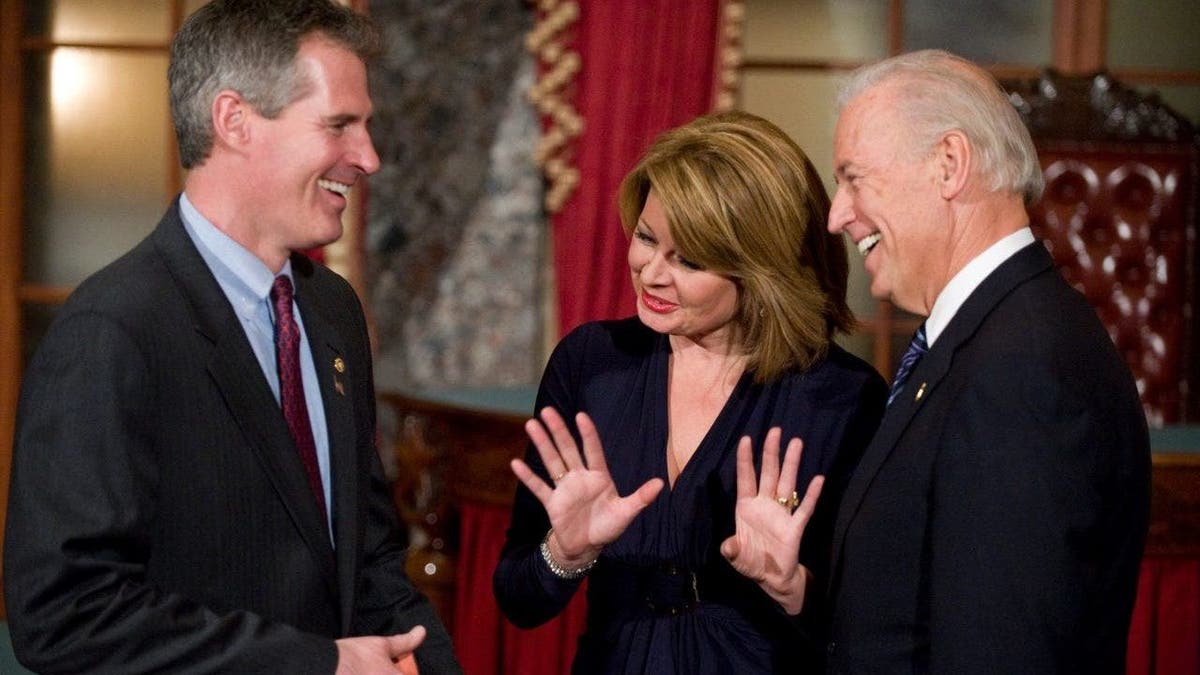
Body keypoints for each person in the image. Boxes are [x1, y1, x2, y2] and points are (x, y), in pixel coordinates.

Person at [3, 1, 460, 673]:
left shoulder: (332, 311)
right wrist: (319, 665)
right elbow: (66, 614)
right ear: (235, 121)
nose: (369, 157)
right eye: (340, 125)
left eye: (366, 127)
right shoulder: (112, 331)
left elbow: (370, 563)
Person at [493, 110, 888, 673]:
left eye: (690, 260)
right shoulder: (592, 364)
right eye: (647, 238)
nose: (651, 272)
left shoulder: (841, 399)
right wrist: (566, 554)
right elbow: (518, 599)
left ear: (761, 271)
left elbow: (878, 635)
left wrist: (790, 585)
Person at [822, 49, 1151, 673]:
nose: (838, 213)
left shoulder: (1020, 370)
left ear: (949, 165)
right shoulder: (993, 337)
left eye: (853, 178)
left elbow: (1002, 648)